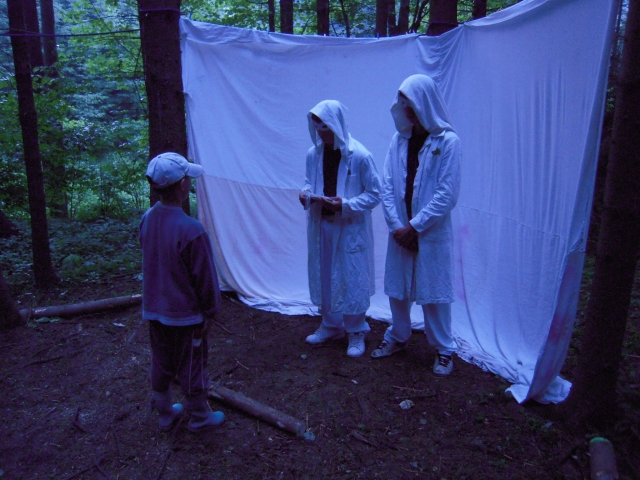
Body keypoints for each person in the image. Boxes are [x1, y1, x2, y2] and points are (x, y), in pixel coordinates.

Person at [371, 74, 461, 376]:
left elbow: (447, 193)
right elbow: (387, 185)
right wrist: (397, 225)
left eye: (411, 102)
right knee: (398, 290)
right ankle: (398, 336)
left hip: (430, 233)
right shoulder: (399, 141)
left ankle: (444, 349)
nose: (406, 109)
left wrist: (416, 226)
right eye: (403, 103)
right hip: (400, 231)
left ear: (425, 102)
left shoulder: (448, 142)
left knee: (434, 293)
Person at [140, 152, 225, 431]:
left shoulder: (147, 219)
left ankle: (165, 412)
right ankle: (199, 417)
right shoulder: (191, 229)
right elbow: (205, 279)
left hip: (155, 311)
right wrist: (210, 312)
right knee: (192, 364)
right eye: (187, 178)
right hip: (185, 317)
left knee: (161, 360)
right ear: (182, 185)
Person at [299, 100, 381, 357]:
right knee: (325, 274)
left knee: (351, 277)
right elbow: (308, 181)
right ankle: (330, 324)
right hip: (322, 223)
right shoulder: (313, 154)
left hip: (349, 227)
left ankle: (356, 331)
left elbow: (375, 194)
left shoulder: (361, 156)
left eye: (325, 128)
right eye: (317, 128)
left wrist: (345, 204)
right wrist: (306, 193)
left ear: (337, 124)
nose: (321, 134)